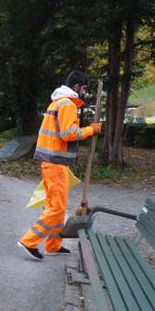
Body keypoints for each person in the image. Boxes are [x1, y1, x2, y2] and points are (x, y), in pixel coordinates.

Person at [18, 70, 101, 259]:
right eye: (84, 88)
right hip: (55, 164)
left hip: (53, 163)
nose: (84, 92)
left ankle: (53, 245)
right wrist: (91, 130)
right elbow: (68, 134)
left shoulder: (58, 102)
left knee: (58, 207)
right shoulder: (67, 104)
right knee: (55, 208)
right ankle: (28, 241)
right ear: (77, 87)